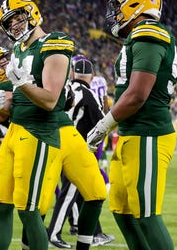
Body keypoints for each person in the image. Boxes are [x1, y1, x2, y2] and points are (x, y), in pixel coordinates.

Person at [0, 0, 106, 250]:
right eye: (9, 24)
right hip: (17, 130)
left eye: (18, 18)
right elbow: (12, 90)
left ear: (32, 13)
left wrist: (21, 85)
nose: (15, 27)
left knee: (31, 208)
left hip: (42, 131)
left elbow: (51, 99)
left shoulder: (54, 43)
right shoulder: (19, 49)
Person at [86, 0, 177, 250]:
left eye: (118, 6)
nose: (114, 12)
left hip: (148, 133)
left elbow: (138, 94)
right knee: (122, 211)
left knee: (147, 216)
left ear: (136, 5)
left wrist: (103, 125)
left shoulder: (149, 33)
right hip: (131, 133)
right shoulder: (139, 36)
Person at [46, 58, 114, 248]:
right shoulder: (88, 93)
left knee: (81, 192)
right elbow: (101, 123)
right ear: (91, 77)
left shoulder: (63, 88)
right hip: (75, 147)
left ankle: (92, 232)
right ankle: (53, 233)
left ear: (73, 74)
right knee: (70, 193)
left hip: (54, 141)